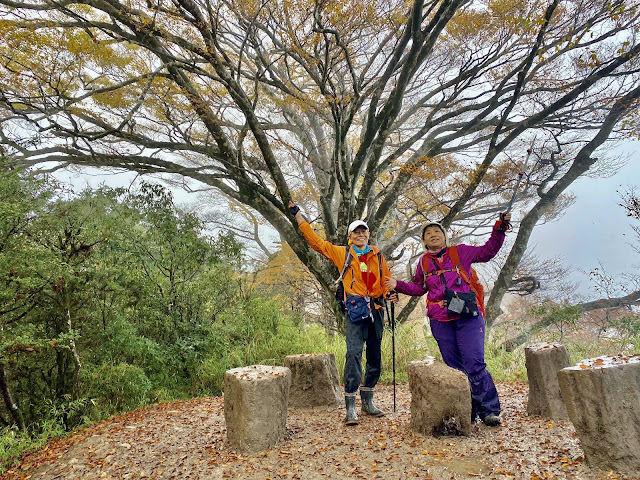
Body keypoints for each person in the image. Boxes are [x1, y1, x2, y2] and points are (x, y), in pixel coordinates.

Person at [384, 213, 511, 427]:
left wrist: (500, 228)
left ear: (445, 236)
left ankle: (489, 410)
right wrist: (397, 284)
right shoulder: (424, 263)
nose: (433, 235)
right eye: (428, 233)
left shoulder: (460, 252)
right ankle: (466, 409)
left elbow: (488, 252)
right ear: (423, 241)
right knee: (454, 367)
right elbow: (419, 287)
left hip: (467, 315)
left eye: (437, 232)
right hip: (440, 319)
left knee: (474, 363)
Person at [289, 201, 391, 425]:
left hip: (376, 309)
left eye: (363, 231)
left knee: (375, 356)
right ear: (350, 236)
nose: (360, 234)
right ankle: (350, 407)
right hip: (355, 311)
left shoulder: (378, 256)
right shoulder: (342, 253)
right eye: (356, 231)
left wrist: (391, 292)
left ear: (369, 234)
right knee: (353, 355)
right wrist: (298, 215)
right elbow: (316, 242)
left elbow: (386, 282)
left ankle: (368, 400)